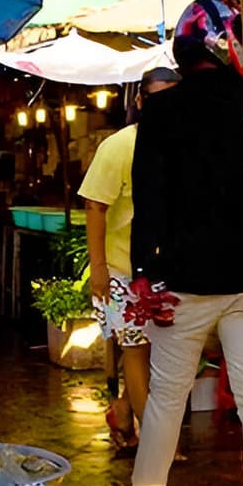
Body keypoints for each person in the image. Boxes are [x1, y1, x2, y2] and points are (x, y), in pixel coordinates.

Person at [104, 0, 243, 486]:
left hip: (184, 284)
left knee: (167, 397)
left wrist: (147, 272)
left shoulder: (163, 111)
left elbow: (150, 201)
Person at [80, 66, 179, 454]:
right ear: (140, 102)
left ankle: (123, 411)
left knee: (157, 354)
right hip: (124, 270)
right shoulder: (119, 147)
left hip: (167, 269)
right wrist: (99, 270)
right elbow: (94, 206)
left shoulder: (184, 145)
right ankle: (156, 444)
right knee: (137, 351)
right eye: (157, 99)